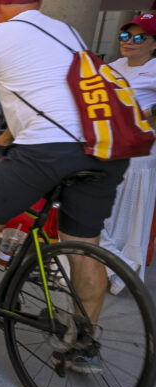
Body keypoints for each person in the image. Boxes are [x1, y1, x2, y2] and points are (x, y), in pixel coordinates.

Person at [0, 0, 129, 371]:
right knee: (83, 248)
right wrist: (7, 134)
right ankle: (84, 344)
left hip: (49, 148)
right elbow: (53, 94)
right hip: (103, 147)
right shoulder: (65, 32)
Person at [100, 14, 156, 294]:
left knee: (130, 213)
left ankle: (123, 272)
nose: (130, 42)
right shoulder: (112, 67)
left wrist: (150, 113)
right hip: (108, 147)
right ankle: (109, 264)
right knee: (103, 211)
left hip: (139, 153)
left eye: (139, 37)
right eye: (125, 36)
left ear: (153, 44)